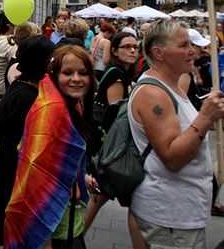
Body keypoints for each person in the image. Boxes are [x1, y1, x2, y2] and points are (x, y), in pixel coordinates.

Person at [128, 19, 224, 249]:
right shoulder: (153, 93)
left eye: (190, 44)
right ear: (159, 52)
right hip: (169, 216)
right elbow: (172, 158)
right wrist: (205, 117)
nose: (192, 51)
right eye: (183, 46)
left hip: (182, 212)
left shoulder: (171, 85)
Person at [0, 35, 56, 247]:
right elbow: (20, 141)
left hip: (8, 171)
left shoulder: (22, 88)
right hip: (13, 174)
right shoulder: (27, 96)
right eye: (51, 60)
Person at [5, 45, 94, 249]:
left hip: (70, 217)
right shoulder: (52, 111)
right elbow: (37, 179)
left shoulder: (72, 105)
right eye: (68, 73)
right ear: (54, 75)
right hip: (52, 225)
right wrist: (45, 243)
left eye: (83, 73)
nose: (76, 78)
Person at [85, 32, 144, 249]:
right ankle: (72, 240)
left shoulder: (122, 74)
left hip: (106, 144)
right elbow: (115, 114)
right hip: (108, 145)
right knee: (97, 197)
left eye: (134, 47)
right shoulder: (118, 76)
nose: (132, 51)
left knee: (98, 198)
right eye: (126, 47)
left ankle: (73, 239)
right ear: (116, 50)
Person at [0, 11, 17, 111]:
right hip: (5, 93)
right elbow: (17, 66)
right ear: (9, 25)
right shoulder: (9, 44)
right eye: (15, 24)